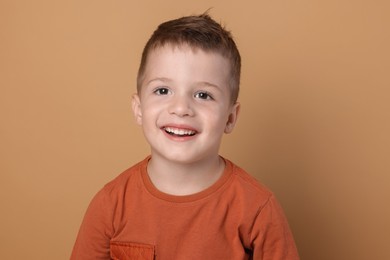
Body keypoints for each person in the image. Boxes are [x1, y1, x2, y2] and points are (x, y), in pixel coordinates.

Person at [71, 13, 299, 260]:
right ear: (139, 109)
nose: (181, 108)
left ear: (230, 118)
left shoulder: (258, 208)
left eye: (203, 95)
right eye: (163, 90)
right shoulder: (110, 205)